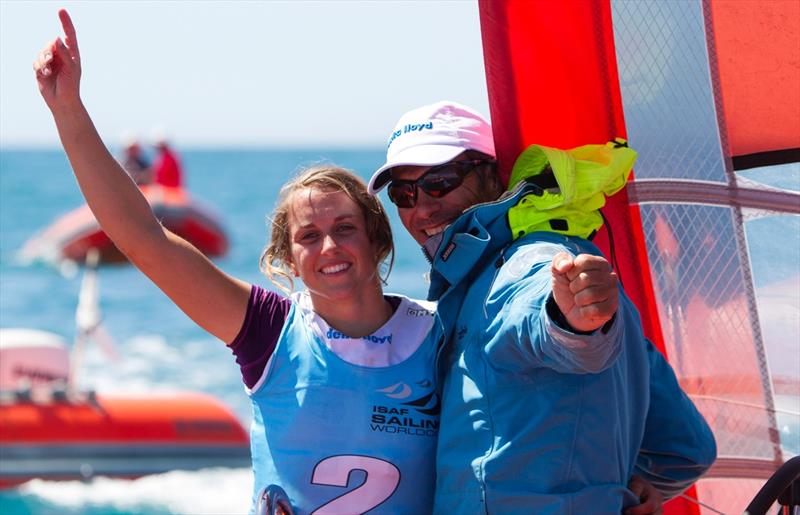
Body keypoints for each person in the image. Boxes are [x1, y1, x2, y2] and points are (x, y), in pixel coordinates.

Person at [34, 11, 441, 513]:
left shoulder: (439, 333)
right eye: (308, 237)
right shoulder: (269, 332)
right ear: (287, 260)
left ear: (378, 241)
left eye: (345, 229)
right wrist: (68, 111)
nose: (329, 248)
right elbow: (144, 240)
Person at [368, 101, 717, 513]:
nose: (422, 207)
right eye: (403, 194)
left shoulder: (526, 267)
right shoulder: (485, 278)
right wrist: (612, 487)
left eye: (441, 181)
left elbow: (544, 320)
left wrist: (573, 322)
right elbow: (687, 448)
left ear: (492, 176)